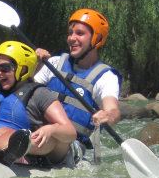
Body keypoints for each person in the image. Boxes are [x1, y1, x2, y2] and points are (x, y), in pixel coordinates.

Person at [0, 41, 77, 167]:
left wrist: (51, 129)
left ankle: (0, 149)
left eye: (5, 68)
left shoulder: (39, 94)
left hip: (36, 151)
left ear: (23, 69)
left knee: (45, 138)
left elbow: (70, 131)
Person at [34, 8, 122, 156]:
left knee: (56, 140)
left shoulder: (105, 77)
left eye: (80, 33)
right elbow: (26, 92)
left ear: (97, 39)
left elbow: (113, 110)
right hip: (37, 130)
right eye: (70, 33)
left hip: (70, 147)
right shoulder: (54, 63)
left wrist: (108, 116)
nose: (71, 38)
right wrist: (35, 65)